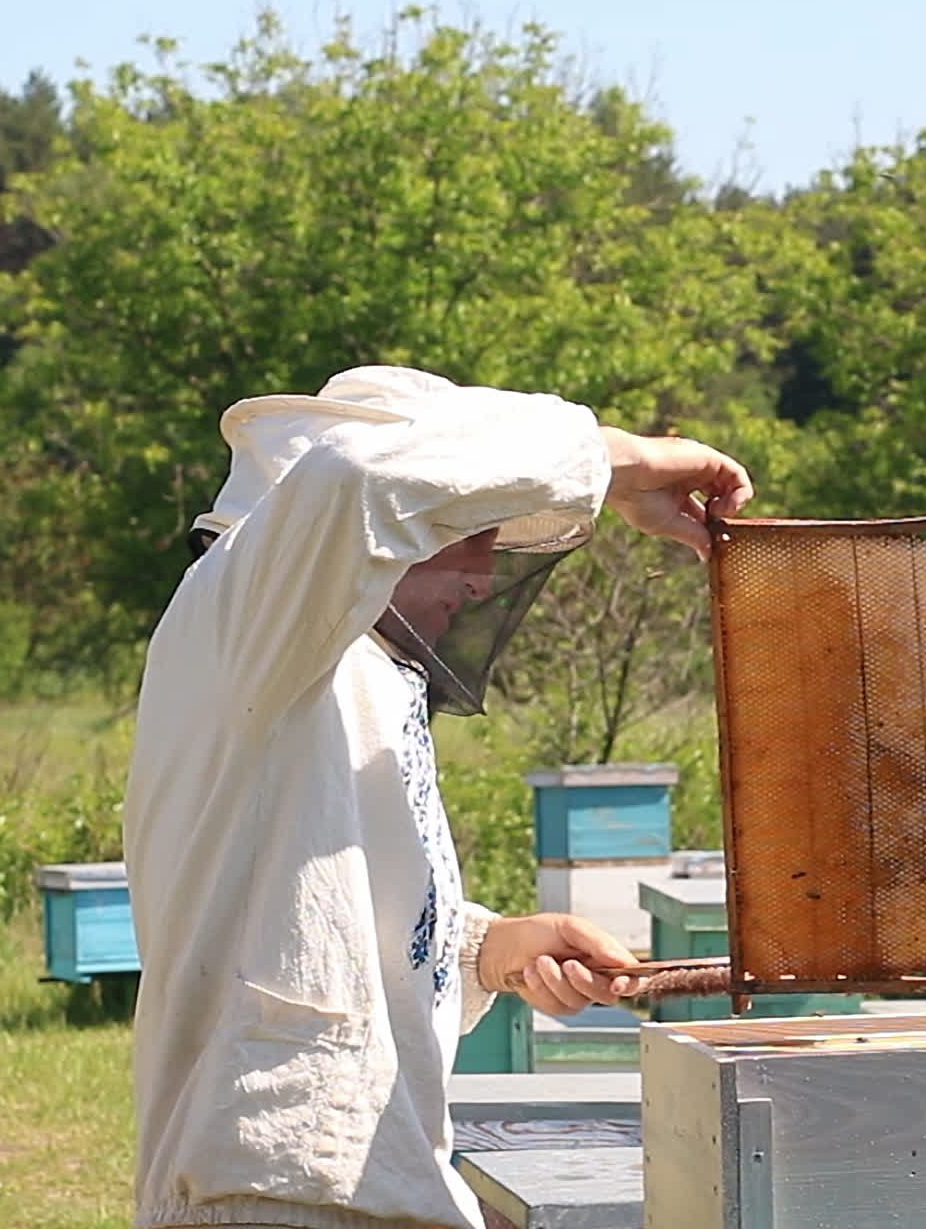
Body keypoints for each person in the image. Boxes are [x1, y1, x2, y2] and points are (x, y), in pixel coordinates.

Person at [122, 365, 753, 1229]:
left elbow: (313, 901)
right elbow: (358, 479)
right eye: (467, 531)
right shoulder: (246, 609)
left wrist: (488, 948)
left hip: (354, 1178)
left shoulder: (346, 668)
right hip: (273, 1185)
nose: (485, 575)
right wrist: (625, 460)